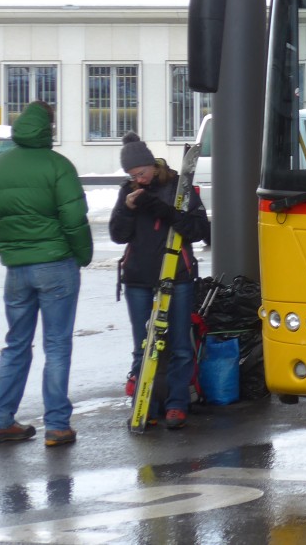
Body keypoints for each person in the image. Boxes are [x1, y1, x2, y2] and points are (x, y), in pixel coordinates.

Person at [0, 101, 93, 447]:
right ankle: (57, 426)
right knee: (56, 346)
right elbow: (74, 219)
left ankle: (1, 417)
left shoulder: (2, 165)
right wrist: (82, 255)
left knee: (15, 344)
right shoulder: (58, 166)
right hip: (56, 266)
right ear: (49, 128)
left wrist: (8, 249)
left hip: (16, 270)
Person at [110, 133, 209, 430]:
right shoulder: (127, 192)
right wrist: (127, 208)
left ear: (151, 165)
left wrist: (166, 212)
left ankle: (177, 404)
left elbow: (199, 230)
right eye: (131, 175)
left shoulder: (179, 187)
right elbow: (118, 235)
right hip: (138, 278)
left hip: (176, 275)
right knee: (143, 346)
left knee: (179, 344)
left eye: (140, 173)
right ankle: (145, 404)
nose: (137, 179)